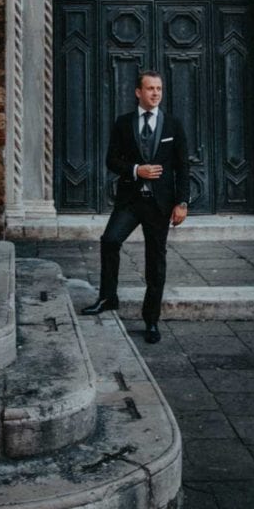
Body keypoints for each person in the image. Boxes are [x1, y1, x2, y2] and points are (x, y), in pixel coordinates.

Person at [82, 69, 190, 343]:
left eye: (159, 89)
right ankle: (108, 298)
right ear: (138, 92)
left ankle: (151, 320)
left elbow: (183, 167)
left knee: (156, 260)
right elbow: (111, 160)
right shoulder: (123, 123)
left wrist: (182, 202)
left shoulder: (173, 125)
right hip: (130, 201)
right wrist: (135, 170)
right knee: (109, 241)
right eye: (150, 88)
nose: (156, 93)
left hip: (159, 204)